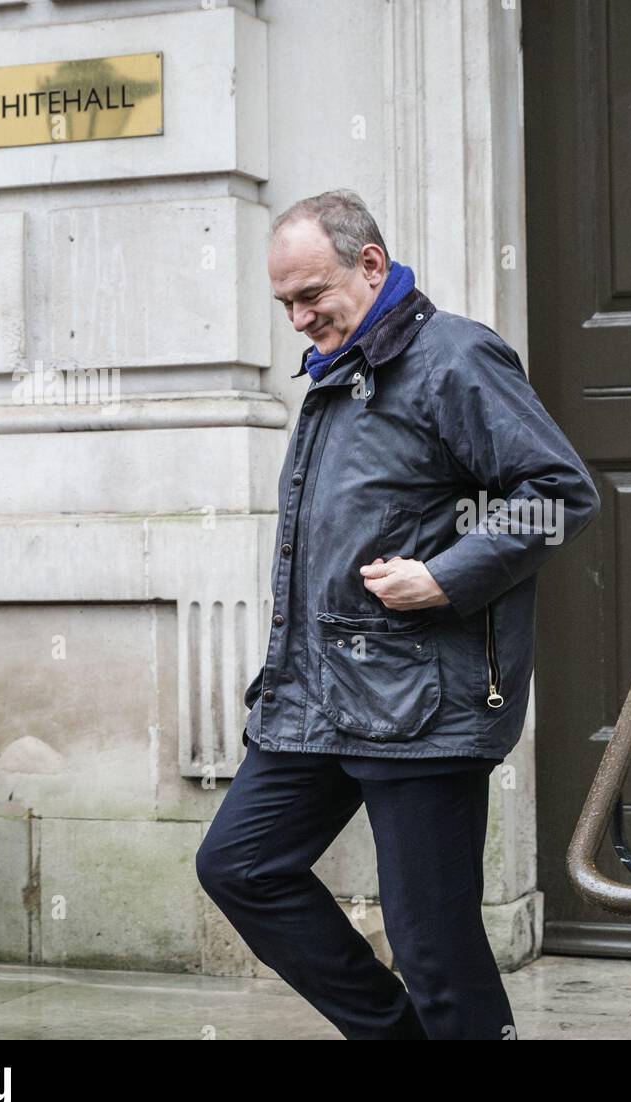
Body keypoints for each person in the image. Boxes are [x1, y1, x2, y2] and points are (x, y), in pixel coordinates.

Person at [196, 189, 600, 1039]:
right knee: (240, 865)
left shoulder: (455, 357)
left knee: (433, 943)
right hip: (312, 698)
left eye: (312, 296)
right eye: (287, 304)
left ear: (370, 264)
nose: (300, 319)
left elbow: (558, 493)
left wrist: (447, 576)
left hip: (422, 705)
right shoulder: (339, 370)